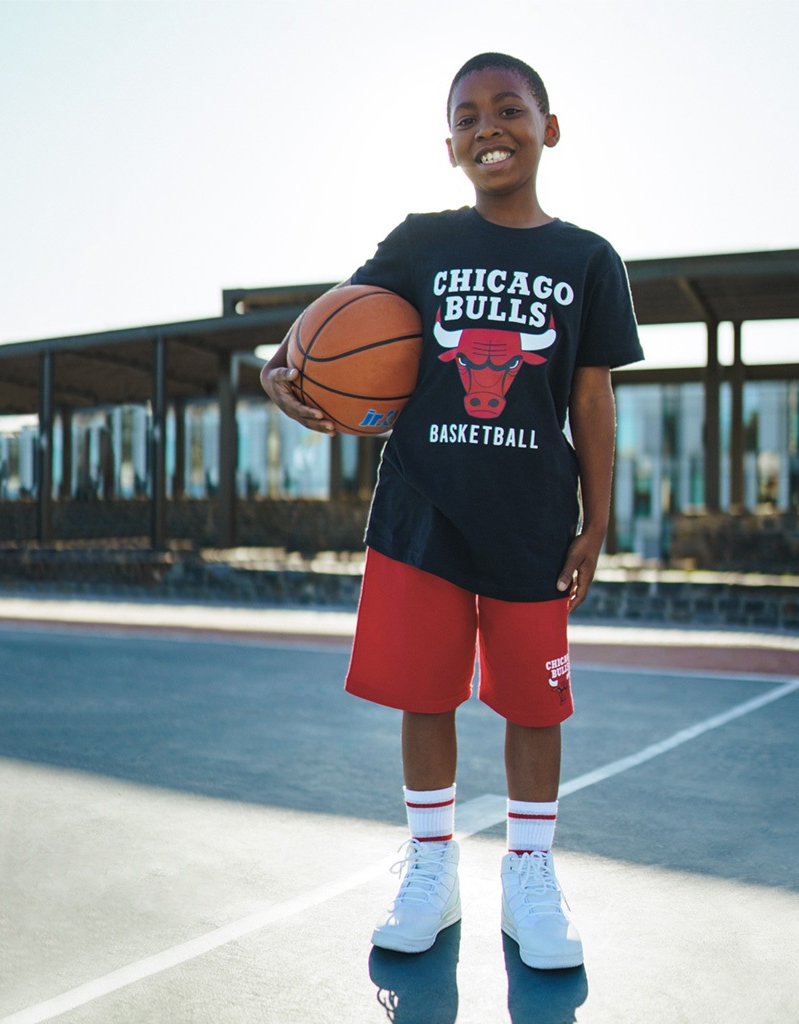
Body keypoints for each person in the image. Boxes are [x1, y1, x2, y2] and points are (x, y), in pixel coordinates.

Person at [261, 52, 643, 971]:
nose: (489, 128)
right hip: (421, 510)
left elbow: (592, 399)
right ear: (449, 147)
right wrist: (280, 372)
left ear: (548, 129)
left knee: (533, 706)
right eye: (467, 117)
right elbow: (326, 326)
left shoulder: (588, 259)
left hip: (532, 517)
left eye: (510, 110)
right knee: (423, 696)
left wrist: (597, 519)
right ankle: (431, 867)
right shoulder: (421, 242)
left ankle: (530, 875)